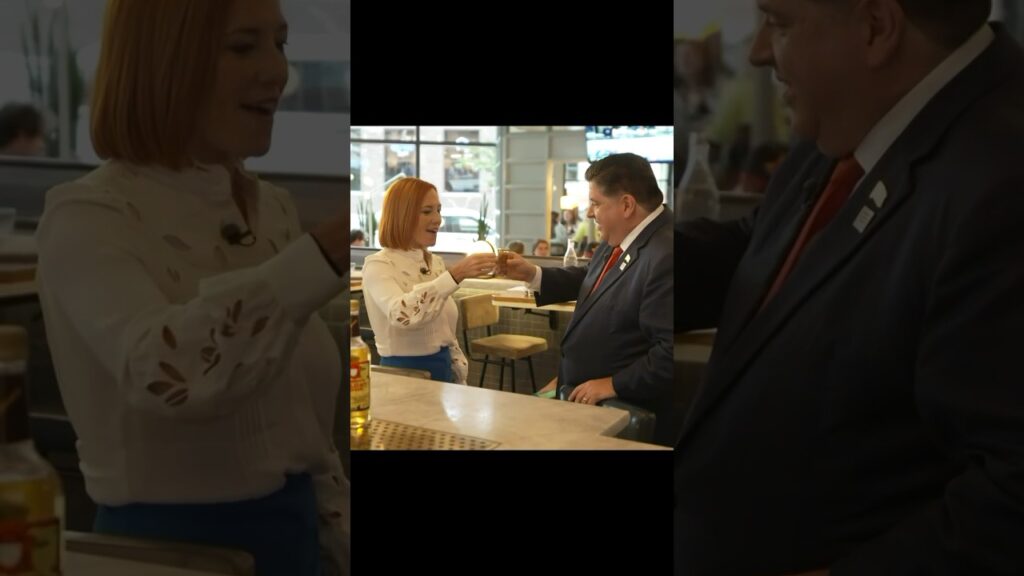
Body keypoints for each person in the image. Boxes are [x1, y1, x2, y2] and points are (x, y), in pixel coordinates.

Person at [675, 1, 1024, 574]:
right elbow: (765, 249)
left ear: (877, 28)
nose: (759, 50)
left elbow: (1009, 492)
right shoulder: (850, 117)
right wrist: (628, 256)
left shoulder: (1001, 180)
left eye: (780, 23)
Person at [35, 1, 348, 574]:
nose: (278, 71)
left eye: (279, 44)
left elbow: (302, 434)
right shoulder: (89, 215)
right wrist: (316, 260)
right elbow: (164, 371)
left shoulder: (273, 208)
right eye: (242, 46)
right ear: (164, 62)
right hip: (168, 557)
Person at [503, 153, 674, 444]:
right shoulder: (621, 235)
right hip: (584, 403)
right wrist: (532, 274)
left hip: (623, 414)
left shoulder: (666, 253)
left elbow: (670, 352)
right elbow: (592, 279)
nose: (589, 213)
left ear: (627, 204)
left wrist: (612, 384)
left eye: (595, 203)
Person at [361, 177, 496, 383]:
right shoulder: (378, 265)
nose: (438, 219)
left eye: (438, 210)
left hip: (445, 372)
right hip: (404, 378)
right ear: (402, 215)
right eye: (427, 211)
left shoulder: (436, 263)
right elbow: (402, 315)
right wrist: (454, 275)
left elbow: (442, 331)